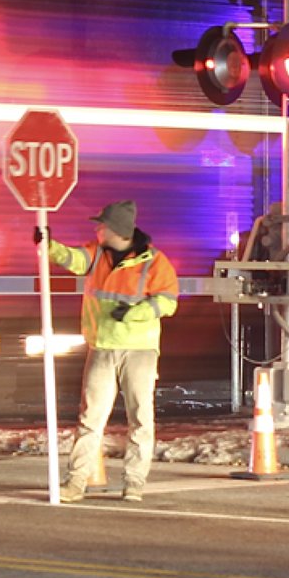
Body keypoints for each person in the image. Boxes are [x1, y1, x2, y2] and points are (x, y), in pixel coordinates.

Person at [36, 199, 178, 504]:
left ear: (115, 229)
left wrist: (132, 313)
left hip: (139, 349)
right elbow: (73, 259)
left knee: (140, 418)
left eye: (101, 224)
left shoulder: (153, 261)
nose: (97, 228)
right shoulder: (96, 253)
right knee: (91, 418)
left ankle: (134, 484)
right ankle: (75, 483)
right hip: (102, 346)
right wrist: (49, 245)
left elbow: (168, 302)